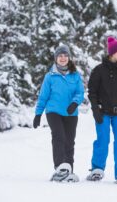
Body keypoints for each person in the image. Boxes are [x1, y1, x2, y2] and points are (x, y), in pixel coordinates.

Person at [86, 36, 117, 184]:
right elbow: (92, 91)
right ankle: (97, 169)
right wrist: (96, 110)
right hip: (103, 112)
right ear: (112, 53)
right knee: (103, 140)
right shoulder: (99, 70)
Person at [33, 45, 84, 183]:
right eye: (60, 56)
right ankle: (60, 167)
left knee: (69, 141)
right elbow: (43, 96)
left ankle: (69, 169)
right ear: (56, 58)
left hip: (71, 113)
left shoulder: (75, 75)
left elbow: (80, 92)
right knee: (58, 136)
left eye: (65, 55)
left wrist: (74, 103)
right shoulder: (50, 77)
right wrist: (38, 114)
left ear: (69, 58)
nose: (63, 58)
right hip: (53, 112)